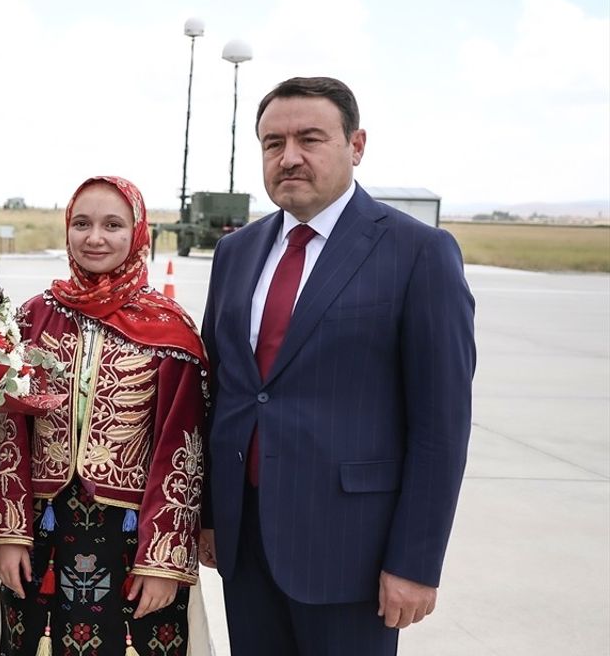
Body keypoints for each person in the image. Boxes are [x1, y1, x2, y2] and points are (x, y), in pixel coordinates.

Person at [198, 77, 476, 655]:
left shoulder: (418, 252)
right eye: (273, 143)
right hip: (246, 548)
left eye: (310, 139)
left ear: (357, 145)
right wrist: (210, 514)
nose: (289, 157)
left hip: (353, 556)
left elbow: (441, 425)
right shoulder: (236, 252)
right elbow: (223, 392)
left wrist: (416, 562)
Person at [0, 176, 208, 655]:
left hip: (131, 539)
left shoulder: (170, 329)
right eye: (82, 223)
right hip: (43, 531)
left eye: (112, 225)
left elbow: (181, 451)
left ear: (138, 233)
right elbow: (8, 435)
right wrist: (6, 535)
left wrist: (163, 561)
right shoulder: (33, 317)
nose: (94, 237)